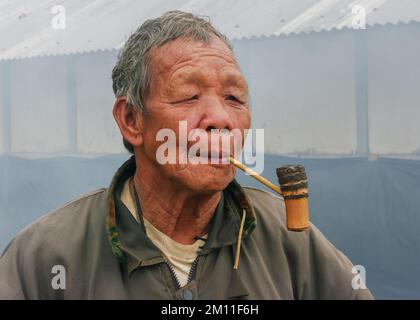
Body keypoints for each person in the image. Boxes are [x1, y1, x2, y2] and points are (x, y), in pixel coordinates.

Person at [0, 11, 373, 300]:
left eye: (234, 98)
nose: (221, 120)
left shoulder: (291, 239)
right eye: (189, 96)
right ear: (131, 120)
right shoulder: (43, 256)